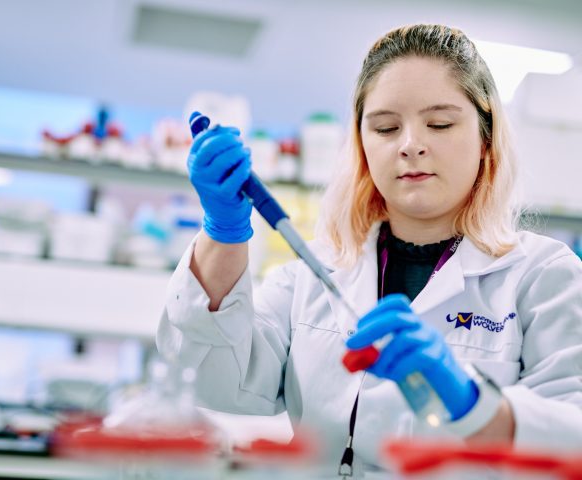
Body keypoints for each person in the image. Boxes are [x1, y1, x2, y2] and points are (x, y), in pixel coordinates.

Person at [156, 24, 582, 475]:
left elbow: (573, 437)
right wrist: (223, 230)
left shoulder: (541, 276)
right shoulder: (314, 272)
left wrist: (477, 406)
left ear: (486, 136)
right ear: (361, 144)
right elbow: (213, 380)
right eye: (385, 127)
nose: (410, 145)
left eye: (439, 123)